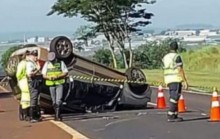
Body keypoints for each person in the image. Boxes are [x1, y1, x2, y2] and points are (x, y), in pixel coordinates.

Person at [162, 41, 188, 122]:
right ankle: (171, 115)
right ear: (177, 48)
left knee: (174, 96)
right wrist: (184, 81)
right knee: (175, 97)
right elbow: (180, 69)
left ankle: (175, 114)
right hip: (175, 79)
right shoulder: (177, 56)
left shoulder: (165, 57)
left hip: (168, 79)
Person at [42, 52, 68, 121]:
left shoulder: (61, 63)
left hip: (59, 83)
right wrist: (49, 77)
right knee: (54, 101)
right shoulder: (47, 64)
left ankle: (58, 115)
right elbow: (44, 75)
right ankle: (56, 114)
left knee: (58, 100)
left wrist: (58, 76)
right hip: (51, 84)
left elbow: (65, 72)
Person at [26, 49, 42, 123]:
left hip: (37, 82)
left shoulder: (34, 63)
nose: (36, 57)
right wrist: (37, 70)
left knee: (36, 98)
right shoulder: (30, 64)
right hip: (33, 82)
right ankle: (32, 116)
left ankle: (35, 115)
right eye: (35, 56)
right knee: (34, 98)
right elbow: (30, 74)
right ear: (31, 56)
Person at [16, 50, 31, 121]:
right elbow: (18, 74)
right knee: (26, 99)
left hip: (24, 82)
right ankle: (26, 115)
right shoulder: (23, 63)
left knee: (24, 99)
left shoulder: (24, 63)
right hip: (24, 82)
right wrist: (25, 76)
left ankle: (22, 114)